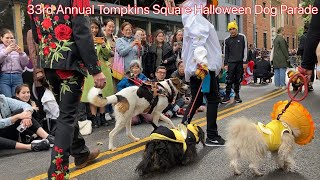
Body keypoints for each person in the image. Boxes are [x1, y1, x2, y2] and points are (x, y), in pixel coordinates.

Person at [29, 0, 106, 178]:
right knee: (67, 116)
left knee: (66, 113)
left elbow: (36, 35)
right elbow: (82, 32)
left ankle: (80, 153)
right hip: (69, 64)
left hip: (49, 62)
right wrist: (95, 69)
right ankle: (57, 173)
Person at [178, 0, 225, 146]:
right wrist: (203, 64)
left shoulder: (194, 20)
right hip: (203, 68)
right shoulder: (196, 20)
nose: (210, 8)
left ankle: (182, 130)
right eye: (208, 4)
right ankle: (211, 135)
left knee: (197, 100)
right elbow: (198, 43)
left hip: (200, 67)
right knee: (212, 99)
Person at [81, 19, 114, 128]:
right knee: (92, 94)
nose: (94, 30)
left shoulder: (102, 39)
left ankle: (102, 117)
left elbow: (108, 54)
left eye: (96, 28)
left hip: (103, 70)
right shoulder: (84, 39)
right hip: (90, 71)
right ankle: (94, 118)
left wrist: (103, 45)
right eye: (92, 28)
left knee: (102, 94)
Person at [222, 21, 248, 103]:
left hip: (240, 62)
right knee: (229, 80)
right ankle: (227, 96)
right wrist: (225, 63)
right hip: (230, 63)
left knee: (238, 80)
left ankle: (237, 95)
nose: (232, 31)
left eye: (233, 29)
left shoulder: (242, 37)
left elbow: (245, 49)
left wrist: (245, 61)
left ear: (236, 28)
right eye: (230, 29)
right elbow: (226, 52)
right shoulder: (226, 40)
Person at [0, 28, 29, 97]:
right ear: (1, 38)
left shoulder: (17, 48)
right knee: (7, 100)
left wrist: (21, 53)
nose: (9, 40)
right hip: (4, 77)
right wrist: (6, 51)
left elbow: (25, 63)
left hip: (17, 77)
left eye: (11, 38)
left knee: (18, 99)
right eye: (7, 38)